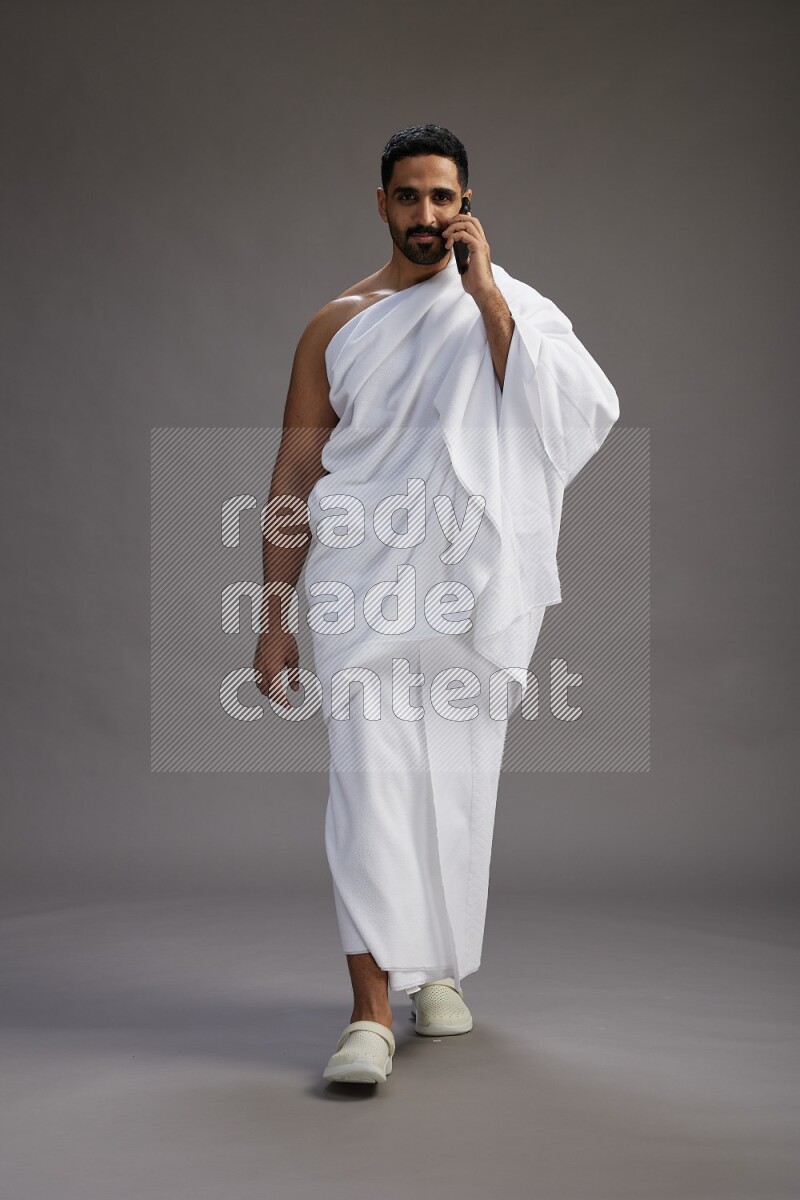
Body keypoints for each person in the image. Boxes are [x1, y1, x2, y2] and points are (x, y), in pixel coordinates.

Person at [253, 124, 619, 1085]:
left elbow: (564, 413)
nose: (426, 216)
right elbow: (295, 470)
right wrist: (272, 618)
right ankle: (369, 1015)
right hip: (357, 586)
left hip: (466, 592)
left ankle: (436, 972)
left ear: (467, 206)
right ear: (381, 203)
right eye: (409, 198)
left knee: (455, 785)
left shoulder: (508, 309)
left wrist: (486, 290)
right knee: (369, 790)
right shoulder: (339, 324)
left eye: (443, 199)